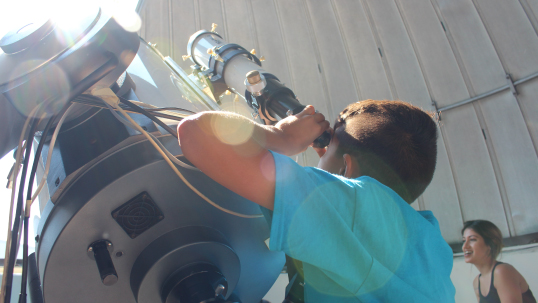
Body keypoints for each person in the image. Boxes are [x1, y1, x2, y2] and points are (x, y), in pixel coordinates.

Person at [178, 99, 455, 302]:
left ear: (346, 171)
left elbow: (197, 133)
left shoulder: (355, 202)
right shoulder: (432, 245)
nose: (317, 156)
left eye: (326, 151)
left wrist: (281, 137)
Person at [462, 220, 536, 303]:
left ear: (491, 243)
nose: (465, 246)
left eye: (472, 239)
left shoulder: (502, 271)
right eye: (464, 240)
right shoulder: (477, 282)